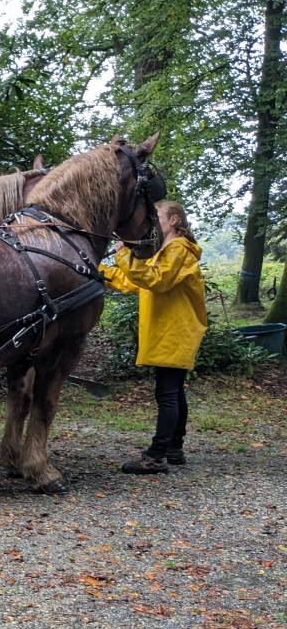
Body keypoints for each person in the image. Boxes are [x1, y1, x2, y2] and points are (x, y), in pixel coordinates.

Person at [99, 200, 207, 473]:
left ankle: (156, 455)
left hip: (175, 331)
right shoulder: (167, 251)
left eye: (157, 215)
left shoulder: (179, 249)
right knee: (174, 391)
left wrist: (124, 255)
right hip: (169, 331)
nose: (152, 220)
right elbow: (137, 281)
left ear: (173, 220)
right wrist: (100, 272)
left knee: (167, 393)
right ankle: (175, 448)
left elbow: (157, 280)